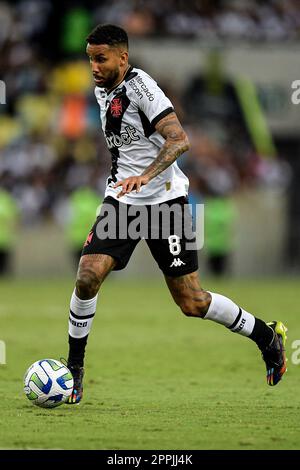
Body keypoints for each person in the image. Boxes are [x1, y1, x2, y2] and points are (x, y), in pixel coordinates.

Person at [66, 24, 287, 404]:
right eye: (90, 59)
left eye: (100, 59)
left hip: (166, 203)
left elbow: (180, 139)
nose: (94, 67)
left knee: (192, 303)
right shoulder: (103, 89)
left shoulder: (143, 89)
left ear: (123, 57)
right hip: (122, 201)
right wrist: (128, 179)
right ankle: (74, 371)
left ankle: (268, 338)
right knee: (87, 277)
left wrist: (146, 176)